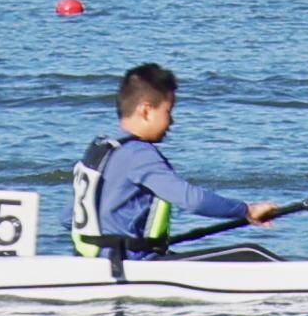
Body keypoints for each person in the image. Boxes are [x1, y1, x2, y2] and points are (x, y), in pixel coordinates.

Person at [72, 64, 277, 271]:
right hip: (134, 267)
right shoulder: (139, 154)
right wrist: (246, 210)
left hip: (97, 263)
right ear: (146, 111)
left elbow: (68, 218)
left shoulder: (100, 151)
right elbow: (192, 200)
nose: (172, 121)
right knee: (252, 255)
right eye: (168, 111)